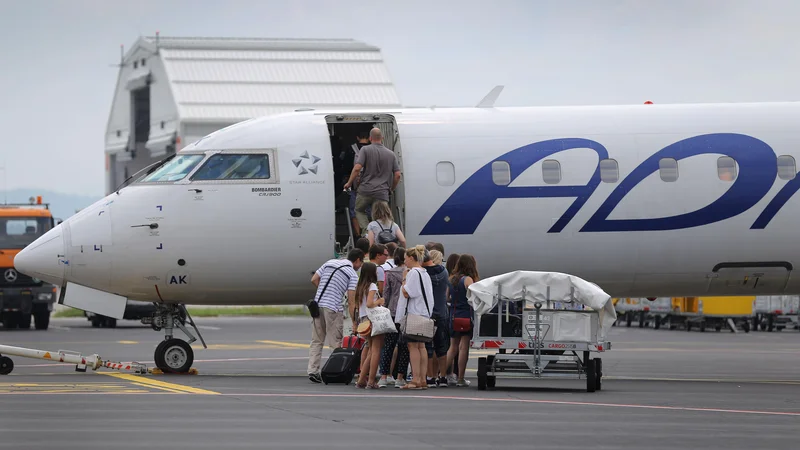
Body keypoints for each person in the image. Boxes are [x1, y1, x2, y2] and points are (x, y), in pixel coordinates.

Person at [307, 249, 364, 383]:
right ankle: (336, 370)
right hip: (333, 308)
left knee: (317, 340)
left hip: (318, 305)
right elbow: (351, 301)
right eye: (360, 263)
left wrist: (324, 292)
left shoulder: (329, 263)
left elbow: (314, 279)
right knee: (335, 342)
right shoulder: (352, 274)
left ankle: (313, 371)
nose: (360, 266)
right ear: (357, 260)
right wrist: (355, 321)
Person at [343, 128, 401, 233]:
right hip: (382, 193)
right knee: (380, 216)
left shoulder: (365, 150)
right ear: (382, 138)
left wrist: (349, 183)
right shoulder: (391, 154)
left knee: (359, 210)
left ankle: (366, 232)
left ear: (370, 138)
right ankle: (379, 235)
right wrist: (391, 189)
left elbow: (357, 168)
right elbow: (397, 175)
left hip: (365, 191)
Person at [395, 245, 434, 390]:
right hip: (424, 313)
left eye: (406, 259)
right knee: (421, 346)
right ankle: (422, 379)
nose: (405, 262)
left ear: (411, 258)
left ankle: (415, 379)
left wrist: (404, 279)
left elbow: (407, 293)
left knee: (412, 346)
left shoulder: (412, 273)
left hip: (414, 313)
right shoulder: (425, 273)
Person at [446, 254, 479, 387]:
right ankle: (460, 378)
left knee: (452, 347)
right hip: (466, 315)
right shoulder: (468, 280)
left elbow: (447, 298)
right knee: (463, 347)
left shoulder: (452, 279)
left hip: (453, 315)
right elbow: (474, 298)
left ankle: (440, 374)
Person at [378, 247, 408, 388]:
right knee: (404, 346)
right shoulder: (409, 273)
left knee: (388, 345)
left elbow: (386, 294)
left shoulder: (388, 273)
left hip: (391, 313)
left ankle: (384, 376)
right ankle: (400, 377)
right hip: (405, 313)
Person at [354, 263, 385, 389]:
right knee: (376, 350)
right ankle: (371, 380)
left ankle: (362, 379)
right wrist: (379, 301)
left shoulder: (360, 286)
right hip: (373, 319)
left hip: (363, 320)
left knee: (371, 350)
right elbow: (369, 304)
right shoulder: (372, 286)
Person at [423, 249, 450, 387]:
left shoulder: (423, 273)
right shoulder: (445, 273)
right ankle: (443, 376)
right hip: (442, 312)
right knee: (442, 347)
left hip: (428, 313)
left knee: (428, 346)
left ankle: (430, 376)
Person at [346, 131, 371, 237]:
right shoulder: (374, 150)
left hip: (355, 187)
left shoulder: (350, 150)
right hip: (371, 186)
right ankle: (370, 234)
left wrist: (348, 182)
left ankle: (358, 235)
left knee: (354, 211)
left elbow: (347, 166)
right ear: (369, 138)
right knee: (370, 211)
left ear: (357, 137)